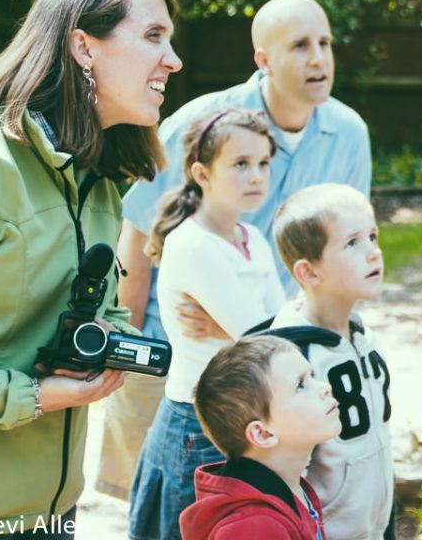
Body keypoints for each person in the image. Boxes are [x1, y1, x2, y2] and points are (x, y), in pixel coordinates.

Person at [97, 0, 372, 500]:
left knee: (253, 505)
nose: (318, 58)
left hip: (276, 353)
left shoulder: (349, 135)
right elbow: (136, 231)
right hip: (175, 346)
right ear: (263, 60)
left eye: (325, 43)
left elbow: (344, 254)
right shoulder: (204, 124)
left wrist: (268, 336)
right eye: (300, 45)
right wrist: (127, 343)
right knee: (155, 495)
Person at [0, 0, 182, 538]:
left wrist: (107, 342)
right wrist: (31, 396)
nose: (174, 60)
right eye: (153, 36)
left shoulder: (99, 186)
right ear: (83, 45)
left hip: (50, 515)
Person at [128, 110, 286, 540]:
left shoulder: (251, 238)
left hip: (244, 414)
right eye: (240, 164)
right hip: (196, 425)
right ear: (202, 172)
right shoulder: (193, 245)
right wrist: (248, 334)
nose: (256, 175)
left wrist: (227, 332)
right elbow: (268, 335)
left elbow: (277, 330)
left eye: (263, 163)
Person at [270, 184, 394, 540]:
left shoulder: (365, 340)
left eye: (373, 236)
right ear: (309, 273)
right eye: (352, 243)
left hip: (374, 526)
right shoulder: (289, 359)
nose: (373, 253)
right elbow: (282, 465)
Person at [180, 334, 340, 540]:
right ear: (263, 433)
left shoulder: (288, 487)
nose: (324, 387)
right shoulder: (254, 528)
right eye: (300, 385)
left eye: (312, 375)